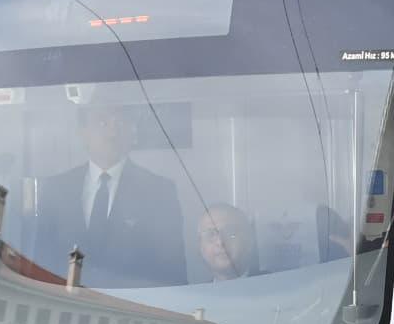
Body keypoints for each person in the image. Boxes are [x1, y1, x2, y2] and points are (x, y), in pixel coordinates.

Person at [22, 102, 185, 288]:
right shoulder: (56, 189)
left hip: (134, 310)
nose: (112, 133)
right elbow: (39, 264)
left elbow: (173, 273)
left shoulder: (159, 191)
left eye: (120, 123)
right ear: (83, 133)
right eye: (102, 123)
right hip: (64, 309)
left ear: (132, 132)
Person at [195, 203, 258, 281]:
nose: (220, 242)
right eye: (210, 234)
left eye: (230, 233)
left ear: (248, 241)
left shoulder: (273, 284)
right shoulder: (195, 292)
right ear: (200, 247)